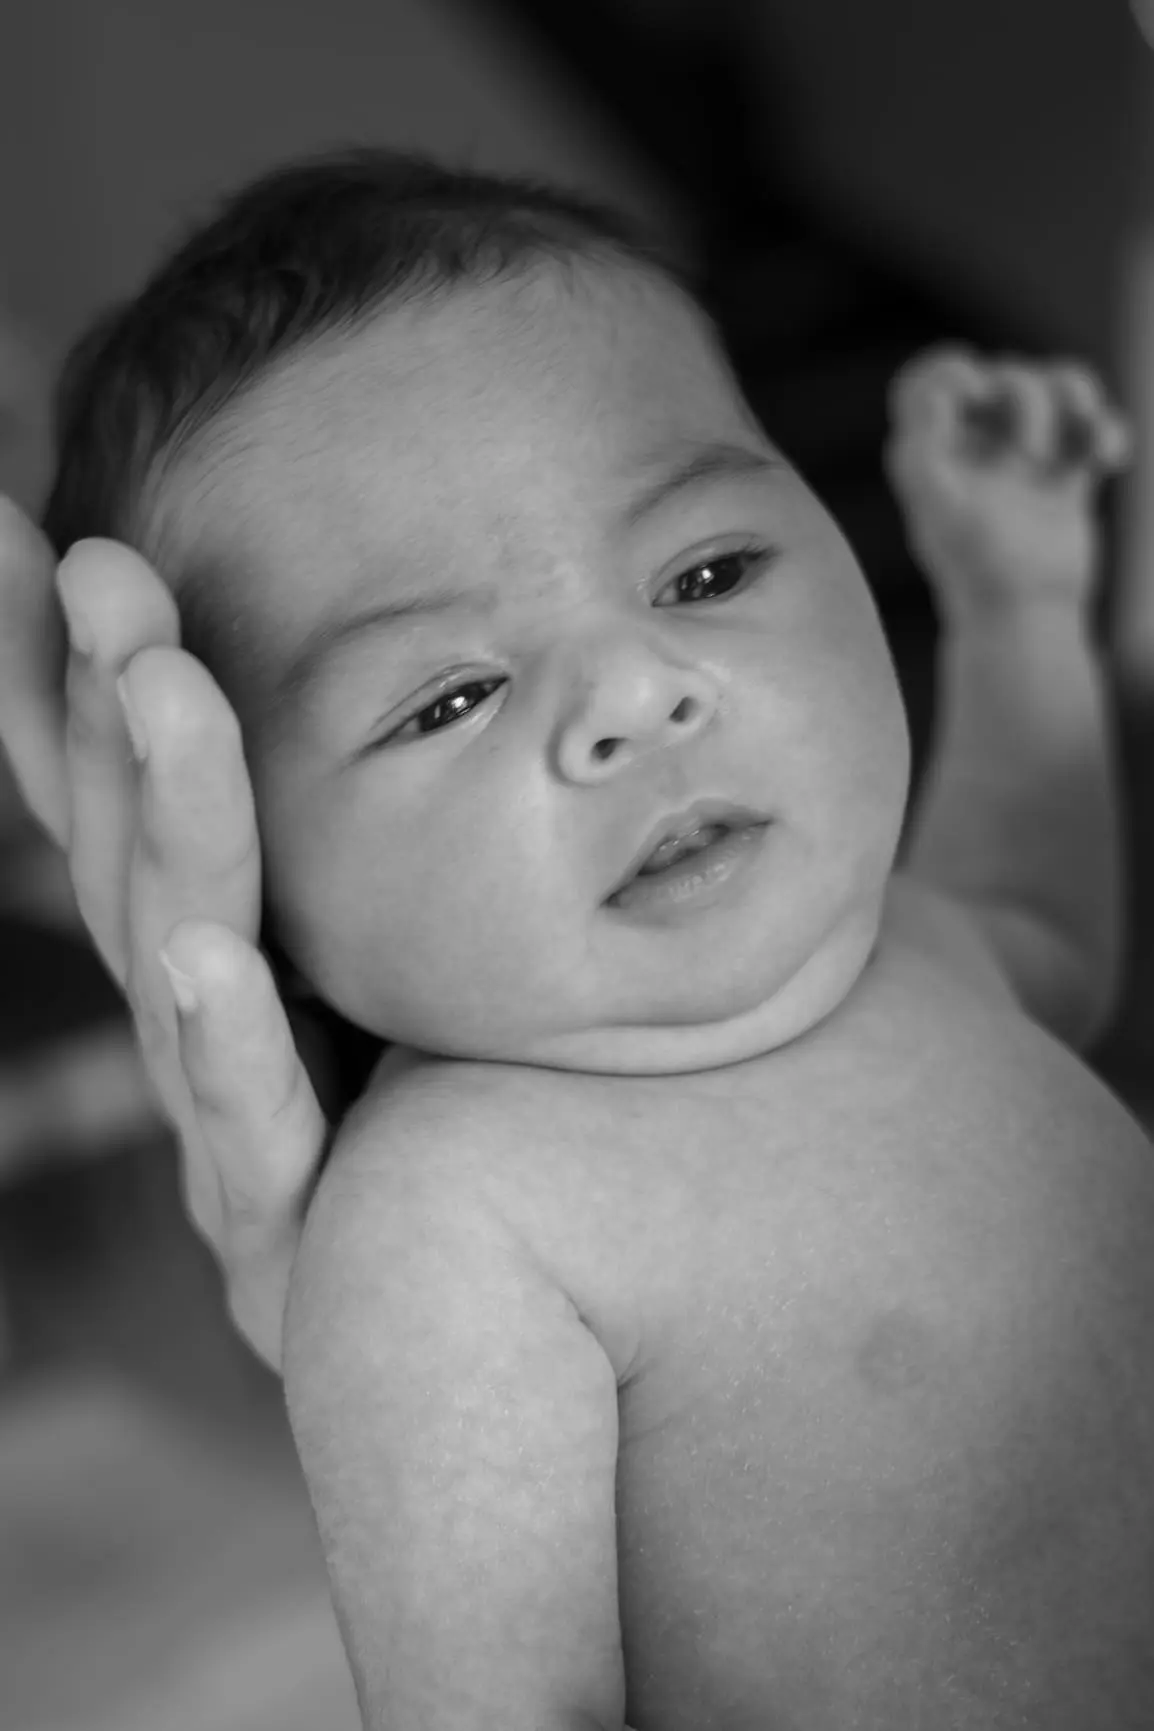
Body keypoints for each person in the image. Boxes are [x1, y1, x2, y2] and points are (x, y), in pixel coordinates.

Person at [7, 145, 1152, 1727]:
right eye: (449, 696)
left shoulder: (903, 948)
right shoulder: (459, 1213)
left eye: (706, 569)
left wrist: (1016, 605)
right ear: (262, 881)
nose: (636, 693)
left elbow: (1049, 927)